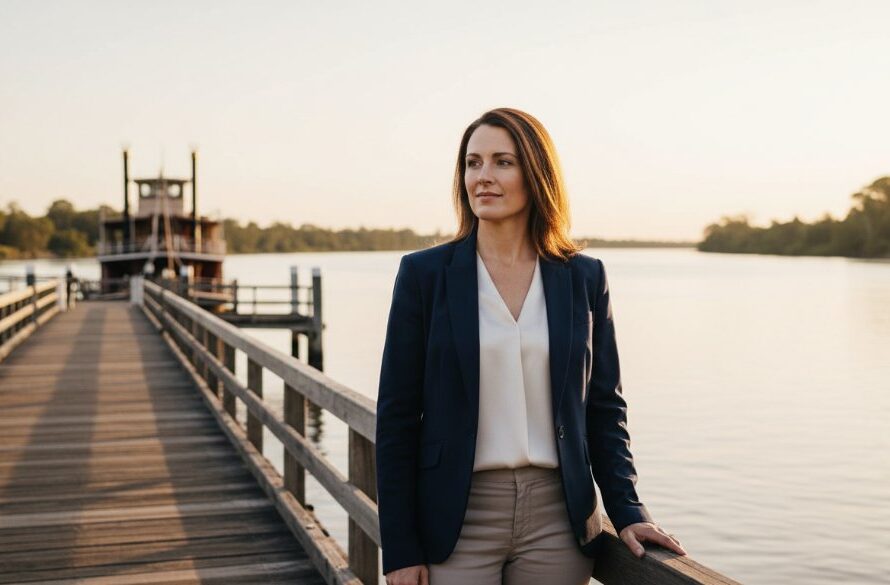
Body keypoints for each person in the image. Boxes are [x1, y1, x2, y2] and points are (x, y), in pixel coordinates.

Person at [375, 108, 686, 585]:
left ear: (536, 174)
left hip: (558, 520)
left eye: (503, 162)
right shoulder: (424, 275)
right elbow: (397, 417)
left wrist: (627, 510)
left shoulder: (583, 277)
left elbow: (604, 407)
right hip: (454, 517)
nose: (483, 177)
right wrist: (399, 547)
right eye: (473, 163)